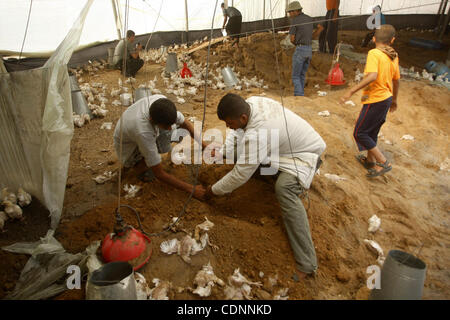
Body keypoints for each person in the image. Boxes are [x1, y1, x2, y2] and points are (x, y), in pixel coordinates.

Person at [202, 93, 326, 279]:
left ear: (243, 118)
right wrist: (225, 152)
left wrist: (211, 191)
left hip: (304, 155)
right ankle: (269, 171)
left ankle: (307, 262)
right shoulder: (250, 103)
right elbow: (234, 133)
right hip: (279, 147)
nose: (228, 127)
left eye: (230, 123)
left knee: (284, 189)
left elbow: (240, 175)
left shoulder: (259, 134)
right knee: (238, 152)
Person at [113, 95, 207, 199]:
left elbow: (185, 123)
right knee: (150, 175)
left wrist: (204, 145)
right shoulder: (143, 132)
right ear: (151, 120)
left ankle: (155, 150)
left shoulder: (162, 104)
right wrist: (191, 189)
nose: (170, 128)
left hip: (139, 131)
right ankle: (138, 167)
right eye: (166, 126)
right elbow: (159, 174)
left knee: (181, 132)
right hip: (129, 149)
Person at [340, 25, 400, 178]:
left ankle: (383, 162)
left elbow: (372, 76)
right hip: (386, 98)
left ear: (373, 39)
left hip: (376, 99)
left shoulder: (374, 53)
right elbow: (396, 80)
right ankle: (370, 161)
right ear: (392, 40)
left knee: (359, 132)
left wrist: (351, 91)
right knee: (371, 130)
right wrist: (394, 100)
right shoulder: (393, 55)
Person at [287, 1, 313, 96]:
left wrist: (295, 43)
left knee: (295, 76)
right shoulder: (309, 19)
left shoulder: (295, 21)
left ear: (295, 11)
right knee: (302, 74)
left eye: (290, 12)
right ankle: (301, 93)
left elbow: (292, 38)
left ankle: (299, 95)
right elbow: (311, 35)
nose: (290, 15)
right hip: (309, 49)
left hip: (300, 49)